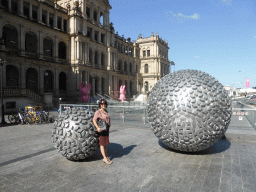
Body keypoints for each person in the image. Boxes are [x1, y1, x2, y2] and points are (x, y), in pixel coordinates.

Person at [93, 99, 113, 165]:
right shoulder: (98, 112)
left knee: (105, 144)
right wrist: (98, 128)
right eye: (101, 104)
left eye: (104, 103)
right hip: (101, 130)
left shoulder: (105, 111)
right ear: (100, 105)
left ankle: (106, 157)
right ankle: (104, 158)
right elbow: (94, 120)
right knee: (102, 144)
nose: (103, 105)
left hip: (106, 129)